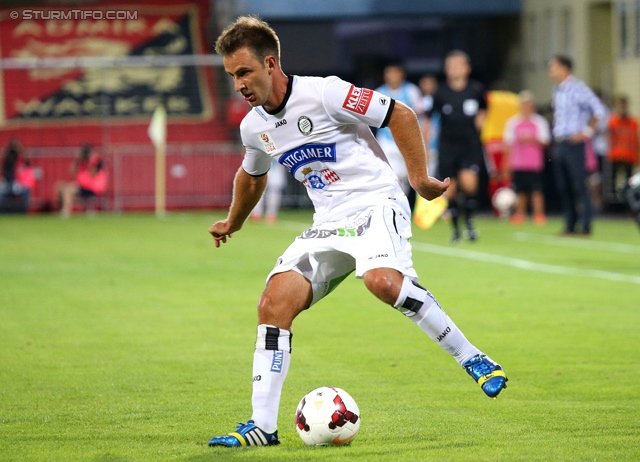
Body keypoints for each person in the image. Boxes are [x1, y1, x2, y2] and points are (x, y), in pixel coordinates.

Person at [207, 16, 507, 448]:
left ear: (270, 63)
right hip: (327, 222)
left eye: (243, 72)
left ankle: (473, 358)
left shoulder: (325, 92)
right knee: (273, 303)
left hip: (375, 202)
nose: (238, 84)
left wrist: (419, 180)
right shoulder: (254, 126)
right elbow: (252, 175)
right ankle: (262, 426)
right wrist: (233, 221)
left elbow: (398, 114)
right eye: (232, 76)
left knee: (382, 282)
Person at [424, 50, 487, 243]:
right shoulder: (440, 92)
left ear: (467, 69)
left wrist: (480, 128)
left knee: (469, 185)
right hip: (447, 146)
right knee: (450, 189)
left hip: (469, 145)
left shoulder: (475, 90)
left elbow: (483, 112)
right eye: (451, 65)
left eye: (459, 65)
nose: (455, 69)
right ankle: (455, 230)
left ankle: (469, 223)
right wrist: (426, 147)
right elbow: (429, 120)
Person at [547, 54, 608, 236]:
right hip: (560, 143)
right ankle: (570, 224)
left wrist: (586, 132)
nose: (550, 71)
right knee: (564, 186)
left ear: (564, 68)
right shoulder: (558, 90)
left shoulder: (577, 88)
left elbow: (599, 109)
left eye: (553, 66)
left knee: (578, 185)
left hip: (574, 144)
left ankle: (586, 225)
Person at [375, 62, 424, 211]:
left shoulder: (411, 91)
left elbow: (419, 113)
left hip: (406, 141)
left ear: (401, 74)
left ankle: (406, 207)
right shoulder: (379, 92)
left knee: (406, 177)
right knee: (391, 177)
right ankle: (392, 207)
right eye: (389, 73)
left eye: (395, 73)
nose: (392, 76)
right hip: (387, 141)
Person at [502, 91, 551, 225]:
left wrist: (532, 140)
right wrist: (506, 165)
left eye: (528, 104)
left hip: (534, 163)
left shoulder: (540, 122)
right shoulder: (512, 122)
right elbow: (508, 145)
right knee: (520, 190)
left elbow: (546, 142)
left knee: (537, 190)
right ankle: (520, 214)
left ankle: (539, 214)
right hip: (518, 162)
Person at [481, 82, 520, 216]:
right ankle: (507, 209)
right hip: (509, 139)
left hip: (491, 138)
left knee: (494, 175)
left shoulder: (490, 96)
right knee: (507, 174)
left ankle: (497, 209)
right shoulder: (516, 99)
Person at [55, 143, 107, 217]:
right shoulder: (80, 160)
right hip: (82, 186)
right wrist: (77, 160)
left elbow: (93, 174)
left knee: (68, 189)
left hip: (92, 187)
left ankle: (66, 211)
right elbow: (70, 172)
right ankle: (65, 210)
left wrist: (88, 162)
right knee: (63, 187)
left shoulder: (97, 160)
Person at [608, 96, 639, 199]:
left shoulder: (632, 122)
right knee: (612, 180)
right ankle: (613, 201)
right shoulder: (612, 121)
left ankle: (628, 200)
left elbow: (635, 141)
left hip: (628, 156)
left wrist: (637, 156)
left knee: (629, 181)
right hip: (615, 155)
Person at [0, 139, 32, 214]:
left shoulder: (21, 159)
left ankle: (24, 211)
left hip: (18, 184)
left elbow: (29, 162)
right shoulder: (7, 160)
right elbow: (2, 169)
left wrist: (20, 149)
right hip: (7, 184)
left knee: (26, 191)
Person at [250, 159, 287, 224]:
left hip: (276, 168)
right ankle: (256, 213)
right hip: (262, 166)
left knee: (274, 193)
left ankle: (271, 214)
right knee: (258, 191)